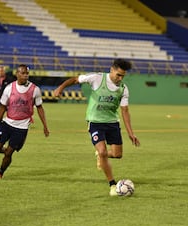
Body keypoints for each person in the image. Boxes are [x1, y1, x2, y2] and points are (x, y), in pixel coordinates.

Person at [54, 58, 140, 196]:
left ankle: (100, 156)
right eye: (118, 75)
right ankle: (112, 185)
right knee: (103, 151)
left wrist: (131, 133)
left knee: (117, 155)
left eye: (123, 76)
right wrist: (60, 88)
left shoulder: (123, 89)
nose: (120, 78)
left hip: (112, 123)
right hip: (95, 122)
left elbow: (125, 111)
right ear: (112, 70)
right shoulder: (97, 78)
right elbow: (76, 79)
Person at [0, 64, 50, 179]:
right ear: (17, 74)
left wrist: (45, 126)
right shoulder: (9, 88)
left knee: (9, 153)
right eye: (23, 73)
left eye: (27, 73)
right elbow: (2, 107)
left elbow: (40, 108)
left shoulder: (35, 89)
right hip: (7, 123)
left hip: (21, 127)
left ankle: (0, 173)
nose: (26, 76)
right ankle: (6, 151)